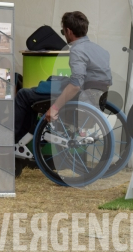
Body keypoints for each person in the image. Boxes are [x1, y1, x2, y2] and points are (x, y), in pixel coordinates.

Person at [13, 11, 112, 176]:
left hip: (79, 98)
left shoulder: (77, 50)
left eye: (63, 32)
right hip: (95, 98)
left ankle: (12, 144)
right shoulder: (101, 50)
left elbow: (76, 84)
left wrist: (55, 107)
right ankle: (25, 142)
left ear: (69, 32)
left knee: (24, 95)